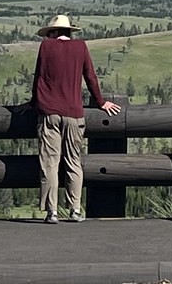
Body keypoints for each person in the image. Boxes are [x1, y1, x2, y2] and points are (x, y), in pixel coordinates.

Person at [30, 14, 121, 223]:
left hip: (49, 112)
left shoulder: (46, 47)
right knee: (73, 161)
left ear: (52, 33)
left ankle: (51, 211)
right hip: (74, 112)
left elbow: (39, 77)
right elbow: (90, 76)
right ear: (69, 31)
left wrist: (33, 103)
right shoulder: (80, 47)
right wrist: (100, 101)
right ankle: (75, 209)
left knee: (50, 164)